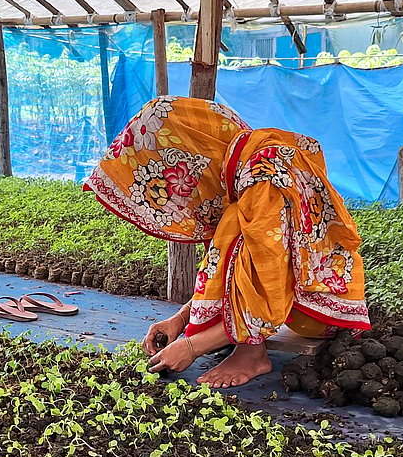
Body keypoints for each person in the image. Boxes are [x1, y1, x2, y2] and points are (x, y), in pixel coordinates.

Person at [86, 96, 370, 388]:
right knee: (233, 223)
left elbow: (270, 295)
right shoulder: (250, 160)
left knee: (235, 225)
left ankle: (251, 354)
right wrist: (181, 320)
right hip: (306, 301)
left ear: (192, 158)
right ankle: (236, 338)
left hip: (318, 317)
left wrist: (192, 347)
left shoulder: (264, 183)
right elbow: (239, 275)